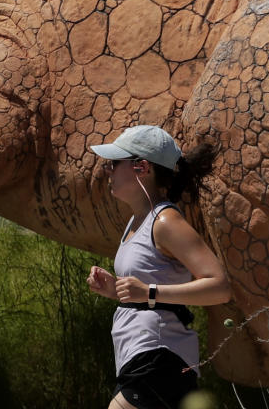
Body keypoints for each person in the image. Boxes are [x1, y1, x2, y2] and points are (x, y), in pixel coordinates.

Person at [86, 125, 231, 409]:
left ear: (142, 168)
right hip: (141, 357)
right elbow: (148, 290)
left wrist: (148, 292)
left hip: (157, 354)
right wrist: (116, 290)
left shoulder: (165, 222)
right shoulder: (136, 221)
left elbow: (220, 286)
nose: (108, 170)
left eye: (115, 163)